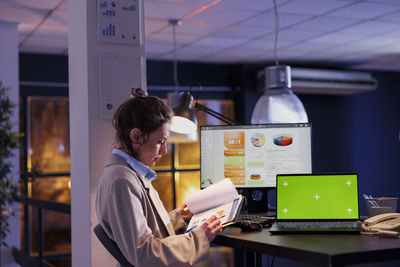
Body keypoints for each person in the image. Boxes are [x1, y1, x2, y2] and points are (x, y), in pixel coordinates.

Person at [95, 88, 222, 267]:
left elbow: (144, 230)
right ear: (136, 136)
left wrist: (178, 217)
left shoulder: (128, 174)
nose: (163, 151)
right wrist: (199, 236)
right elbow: (145, 254)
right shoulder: (122, 181)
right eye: (160, 142)